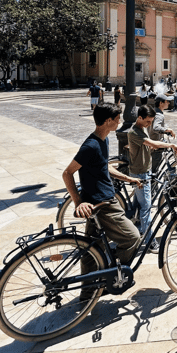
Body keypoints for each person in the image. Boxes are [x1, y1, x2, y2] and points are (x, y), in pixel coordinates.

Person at [60, 103, 142, 295]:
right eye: (117, 119)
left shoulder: (102, 140)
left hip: (99, 201)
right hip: (103, 204)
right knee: (132, 238)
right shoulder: (91, 145)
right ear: (108, 121)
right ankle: (112, 276)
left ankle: (88, 293)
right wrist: (78, 202)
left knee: (91, 249)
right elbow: (67, 173)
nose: (120, 122)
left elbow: (104, 167)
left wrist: (127, 178)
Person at [127, 105, 177, 252]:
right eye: (148, 121)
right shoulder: (134, 132)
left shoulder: (141, 128)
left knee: (138, 205)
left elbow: (148, 145)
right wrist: (171, 145)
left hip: (144, 171)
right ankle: (149, 240)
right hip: (140, 173)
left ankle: (136, 230)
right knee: (146, 208)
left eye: (151, 121)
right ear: (140, 118)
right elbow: (152, 143)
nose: (149, 125)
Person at [148, 94, 176, 177]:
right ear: (161, 103)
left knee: (153, 169)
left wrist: (166, 128)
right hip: (156, 146)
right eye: (167, 101)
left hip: (152, 143)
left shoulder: (154, 111)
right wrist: (168, 130)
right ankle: (153, 188)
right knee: (155, 172)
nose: (169, 103)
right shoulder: (159, 115)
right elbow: (156, 128)